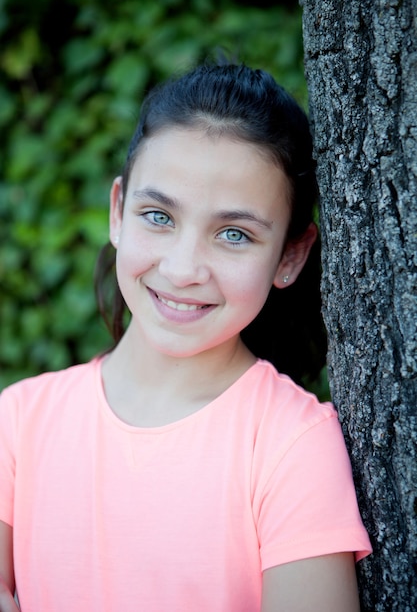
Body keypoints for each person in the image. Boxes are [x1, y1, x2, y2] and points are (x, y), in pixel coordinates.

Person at [0, 58, 372, 612]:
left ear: (290, 255)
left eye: (233, 233)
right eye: (159, 216)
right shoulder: (20, 422)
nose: (182, 268)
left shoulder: (292, 444)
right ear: (118, 211)